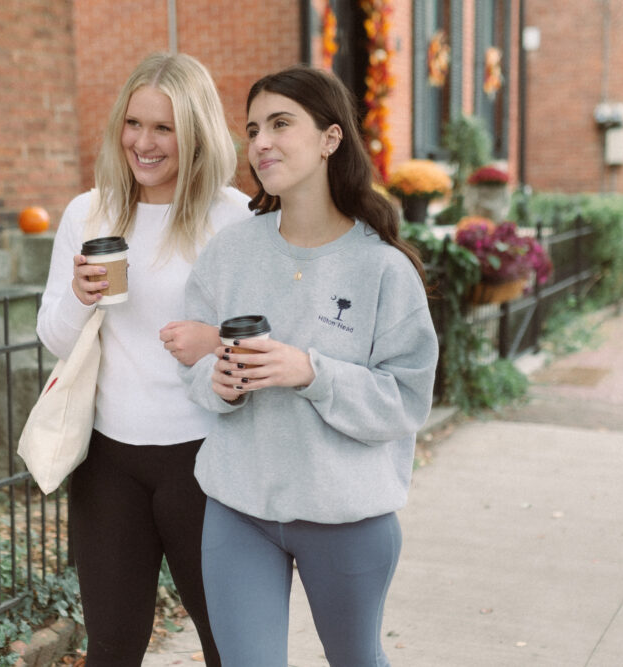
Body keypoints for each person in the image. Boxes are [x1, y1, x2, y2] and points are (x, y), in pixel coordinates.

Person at [180, 65, 439, 665]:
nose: (262, 142)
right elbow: (195, 368)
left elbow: (406, 401)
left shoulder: (382, 270)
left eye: (280, 123)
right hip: (238, 509)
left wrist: (311, 372)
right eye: (253, 129)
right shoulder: (231, 251)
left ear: (330, 138)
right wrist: (217, 382)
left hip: (346, 515)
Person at [36, 52, 250, 666]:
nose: (144, 143)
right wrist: (80, 298)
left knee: (229, 645)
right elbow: (54, 335)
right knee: (112, 649)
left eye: (164, 128)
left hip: (207, 459)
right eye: (134, 124)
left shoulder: (234, 218)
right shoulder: (90, 212)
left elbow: (268, 337)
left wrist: (215, 341)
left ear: (197, 132)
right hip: (109, 461)